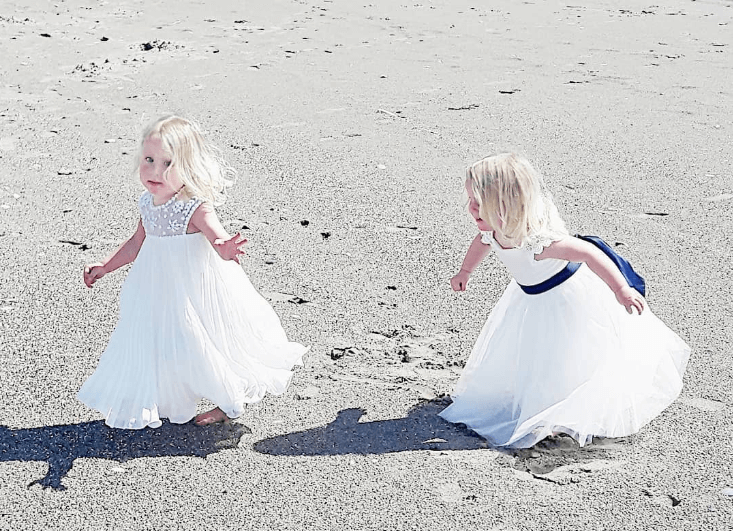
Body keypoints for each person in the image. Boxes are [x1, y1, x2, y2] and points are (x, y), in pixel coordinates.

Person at [439, 153, 690, 448]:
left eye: (479, 202)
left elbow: (589, 253)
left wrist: (620, 289)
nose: (471, 208)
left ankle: (562, 409)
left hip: (566, 302)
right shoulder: (494, 228)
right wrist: (465, 271)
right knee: (530, 353)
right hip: (529, 299)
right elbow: (482, 242)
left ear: (505, 205)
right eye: (470, 199)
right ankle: (536, 401)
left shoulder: (539, 240)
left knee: (563, 356)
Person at [78, 115, 308, 429]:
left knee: (198, 343)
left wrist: (226, 247)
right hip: (154, 290)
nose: (155, 171)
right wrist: (106, 265)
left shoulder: (194, 206)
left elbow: (217, 237)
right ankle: (164, 395)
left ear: (188, 166)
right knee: (159, 341)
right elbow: (136, 243)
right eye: (149, 159)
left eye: (167, 163)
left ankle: (228, 401)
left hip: (191, 294)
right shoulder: (149, 203)